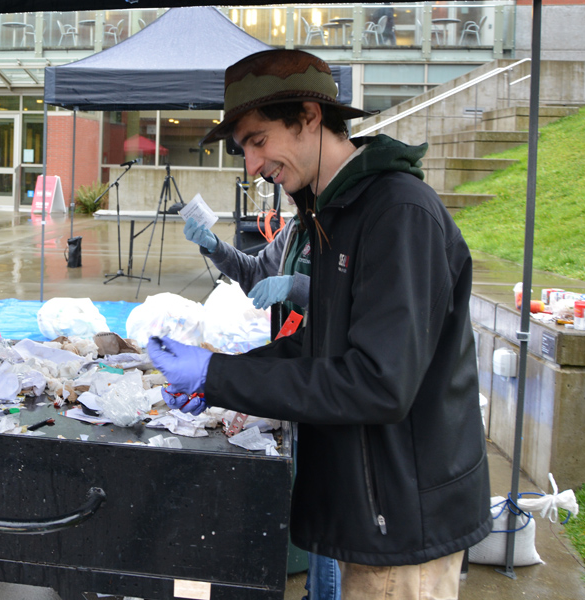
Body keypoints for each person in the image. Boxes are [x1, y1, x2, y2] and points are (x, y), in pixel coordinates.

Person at [150, 49, 490, 599]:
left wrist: (217, 376)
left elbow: (377, 382)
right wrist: (221, 377)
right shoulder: (330, 212)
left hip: (404, 524)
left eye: (258, 141)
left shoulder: (398, 213)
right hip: (371, 511)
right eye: (244, 151)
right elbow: (320, 346)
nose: (252, 166)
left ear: (310, 117)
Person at [183, 210, 341, 600]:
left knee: (329, 501)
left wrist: (299, 287)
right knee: (308, 487)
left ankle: (326, 592)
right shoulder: (296, 229)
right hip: (296, 370)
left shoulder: (345, 229)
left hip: (331, 380)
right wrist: (215, 247)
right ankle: (316, 589)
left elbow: (351, 298)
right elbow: (256, 272)